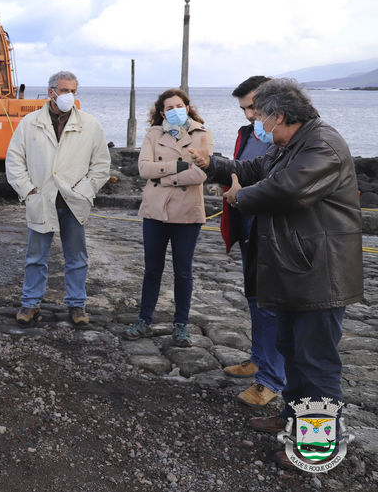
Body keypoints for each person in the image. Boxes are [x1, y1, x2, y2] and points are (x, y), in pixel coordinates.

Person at [190, 79, 363, 467]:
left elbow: (289, 191)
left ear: (279, 115)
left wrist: (239, 198)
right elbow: (252, 168)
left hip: (320, 273)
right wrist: (213, 164)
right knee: (291, 352)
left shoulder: (322, 144)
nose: (257, 122)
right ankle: (293, 419)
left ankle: (317, 448)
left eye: (260, 114)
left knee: (316, 362)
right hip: (294, 270)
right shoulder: (288, 145)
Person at [5, 70, 111, 327]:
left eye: (73, 91)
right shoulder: (29, 123)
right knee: (35, 258)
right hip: (42, 200)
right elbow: (15, 160)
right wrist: (29, 190)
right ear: (51, 91)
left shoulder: (90, 125)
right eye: (64, 90)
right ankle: (30, 303)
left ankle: (77, 305)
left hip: (74, 203)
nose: (69, 96)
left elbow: (101, 166)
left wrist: (86, 191)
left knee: (77, 258)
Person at [123, 89, 214, 348]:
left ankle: (181, 325)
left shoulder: (202, 133)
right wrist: (178, 167)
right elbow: (143, 169)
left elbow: (201, 174)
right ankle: (144, 319)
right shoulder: (153, 133)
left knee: (183, 272)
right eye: (169, 107)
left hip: (187, 212)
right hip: (155, 211)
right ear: (162, 112)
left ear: (187, 106)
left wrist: (161, 178)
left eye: (179, 105)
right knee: (152, 269)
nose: (175, 110)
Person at [219, 76, 285, 408]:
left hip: (272, 235)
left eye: (253, 107)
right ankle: (258, 359)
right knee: (255, 300)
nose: (248, 116)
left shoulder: (286, 141)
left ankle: (271, 379)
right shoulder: (247, 134)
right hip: (247, 229)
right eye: (244, 109)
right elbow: (240, 172)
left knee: (272, 306)